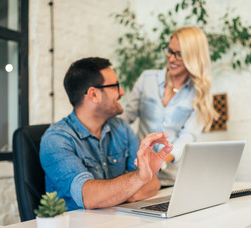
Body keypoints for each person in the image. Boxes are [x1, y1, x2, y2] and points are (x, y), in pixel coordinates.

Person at [39, 57, 173, 211]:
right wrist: (137, 180)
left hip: (116, 222)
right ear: (94, 95)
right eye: (116, 86)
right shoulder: (56, 140)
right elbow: (88, 197)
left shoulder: (121, 128)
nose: (122, 92)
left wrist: (124, 192)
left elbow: (153, 182)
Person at [121, 26, 218, 187]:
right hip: (138, 174)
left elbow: (187, 137)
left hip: (173, 179)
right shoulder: (147, 78)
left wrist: (160, 161)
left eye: (179, 54)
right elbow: (125, 118)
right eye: (170, 51)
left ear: (193, 57)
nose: (171, 59)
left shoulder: (199, 94)